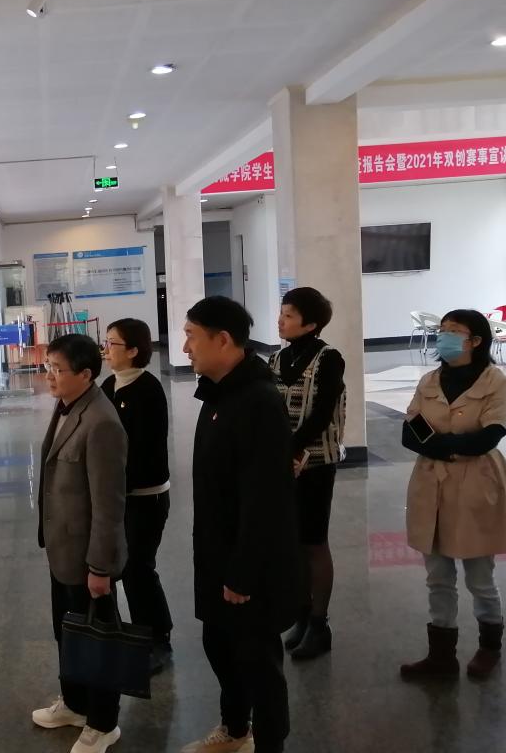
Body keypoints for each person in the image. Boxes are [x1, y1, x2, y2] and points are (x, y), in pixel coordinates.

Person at [180, 297, 300, 753]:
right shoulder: (218, 393)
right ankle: (235, 730)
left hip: (249, 565)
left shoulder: (258, 402)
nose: (185, 347)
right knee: (219, 645)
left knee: (257, 662)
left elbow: (265, 500)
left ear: (223, 340)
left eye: (192, 336)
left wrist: (243, 573)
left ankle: (269, 744)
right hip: (218, 552)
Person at [400, 309, 506, 680]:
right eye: (442, 330)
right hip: (431, 482)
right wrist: (447, 446)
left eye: (454, 331)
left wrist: (441, 445)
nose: (444, 336)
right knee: (437, 576)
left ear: (476, 341)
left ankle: (489, 647)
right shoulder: (430, 380)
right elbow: (409, 431)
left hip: (476, 482)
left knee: (479, 577)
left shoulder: (494, 380)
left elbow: (490, 434)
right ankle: (441, 657)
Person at [31, 334, 129, 753]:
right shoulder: (67, 405)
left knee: (97, 640)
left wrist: (100, 567)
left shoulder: (101, 422)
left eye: (58, 369)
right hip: (63, 550)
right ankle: (74, 704)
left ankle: (103, 724)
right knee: (68, 632)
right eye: (48, 367)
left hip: (89, 557)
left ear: (86, 374)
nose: (50, 376)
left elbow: (109, 505)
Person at [269, 288, 346, 660]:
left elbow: (323, 412)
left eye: (289, 315)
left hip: (315, 462)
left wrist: (293, 446)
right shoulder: (277, 357)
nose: (280, 321)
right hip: (282, 464)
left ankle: (320, 623)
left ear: (311, 323)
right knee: (293, 542)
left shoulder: (328, 358)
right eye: (281, 313)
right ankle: (301, 614)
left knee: (314, 541)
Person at [99, 318, 173, 675]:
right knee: (126, 567)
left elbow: (144, 451)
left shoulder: (148, 389)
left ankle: (158, 637)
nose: (105, 350)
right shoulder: (110, 384)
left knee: (138, 568)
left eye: (112, 343)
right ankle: (139, 634)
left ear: (132, 350)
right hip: (119, 495)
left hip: (145, 496)